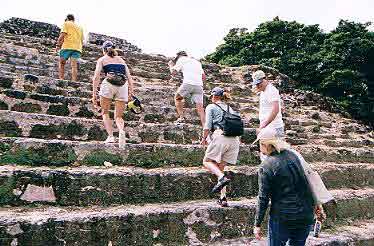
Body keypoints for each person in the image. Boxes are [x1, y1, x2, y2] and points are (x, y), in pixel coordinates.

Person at [252, 127, 315, 246]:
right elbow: (307, 181)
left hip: (283, 216)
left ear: (264, 145)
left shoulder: (266, 166)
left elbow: (263, 198)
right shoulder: (293, 155)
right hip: (305, 213)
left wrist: (257, 224)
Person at [201, 87, 240, 207]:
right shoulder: (230, 108)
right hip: (234, 140)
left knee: (207, 161)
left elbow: (207, 126)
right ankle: (223, 198)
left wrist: (203, 138)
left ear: (214, 96)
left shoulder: (211, 107)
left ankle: (222, 177)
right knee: (220, 167)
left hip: (220, 136)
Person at [92, 40, 134, 148]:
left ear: (103, 50)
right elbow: (129, 78)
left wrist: (94, 94)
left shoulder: (102, 59)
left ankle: (110, 136)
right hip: (122, 86)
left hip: (108, 85)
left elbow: (96, 77)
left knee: (105, 112)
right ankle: (121, 130)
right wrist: (131, 92)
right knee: (119, 116)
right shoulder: (121, 60)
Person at [168, 51, 206, 126]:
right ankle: (205, 126)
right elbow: (203, 77)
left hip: (188, 83)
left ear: (178, 56)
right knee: (200, 108)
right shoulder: (197, 62)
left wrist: (170, 65)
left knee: (177, 98)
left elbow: (173, 72)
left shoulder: (181, 59)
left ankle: (181, 118)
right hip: (199, 85)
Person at [252, 70, 284, 136]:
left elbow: (275, 110)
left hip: (274, 127)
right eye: (256, 84)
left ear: (265, 79)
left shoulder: (271, 90)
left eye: (259, 83)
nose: (257, 86)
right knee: (263, 145)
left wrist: (264, 125)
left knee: (266, 145)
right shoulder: (263, 91)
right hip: (267, 127)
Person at [56, 14, 84, 82]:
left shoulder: (66, 23)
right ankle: (74, 81)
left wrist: (58, 45)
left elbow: (62, 35)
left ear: (67, 18)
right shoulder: (80, 27)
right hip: (77, 48)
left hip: (67, 46)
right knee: (74, 65)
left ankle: (61, 79)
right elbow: (82, 39)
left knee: (62, 63)